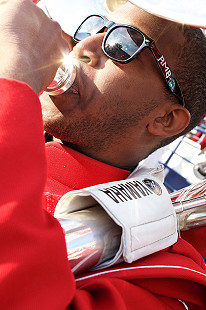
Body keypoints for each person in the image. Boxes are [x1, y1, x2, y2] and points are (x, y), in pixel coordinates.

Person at [0, 0, 206, 309]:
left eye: (124, 43)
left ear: (165, 119)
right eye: (97, 27)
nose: (83, 45)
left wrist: (12, 77)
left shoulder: (166, 282)